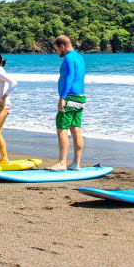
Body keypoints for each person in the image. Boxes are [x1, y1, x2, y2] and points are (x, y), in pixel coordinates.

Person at [51, 35, 86, 171]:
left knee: (62, 129)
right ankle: (76, 163)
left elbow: (70, 77)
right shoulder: (80, 57)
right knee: (76, 129)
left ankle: (62, 162)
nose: (57, 52)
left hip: (70, 98)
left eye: (57, 50)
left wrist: (62, 97)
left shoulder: (68, 58)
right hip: (81, 98)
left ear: (62, 46)